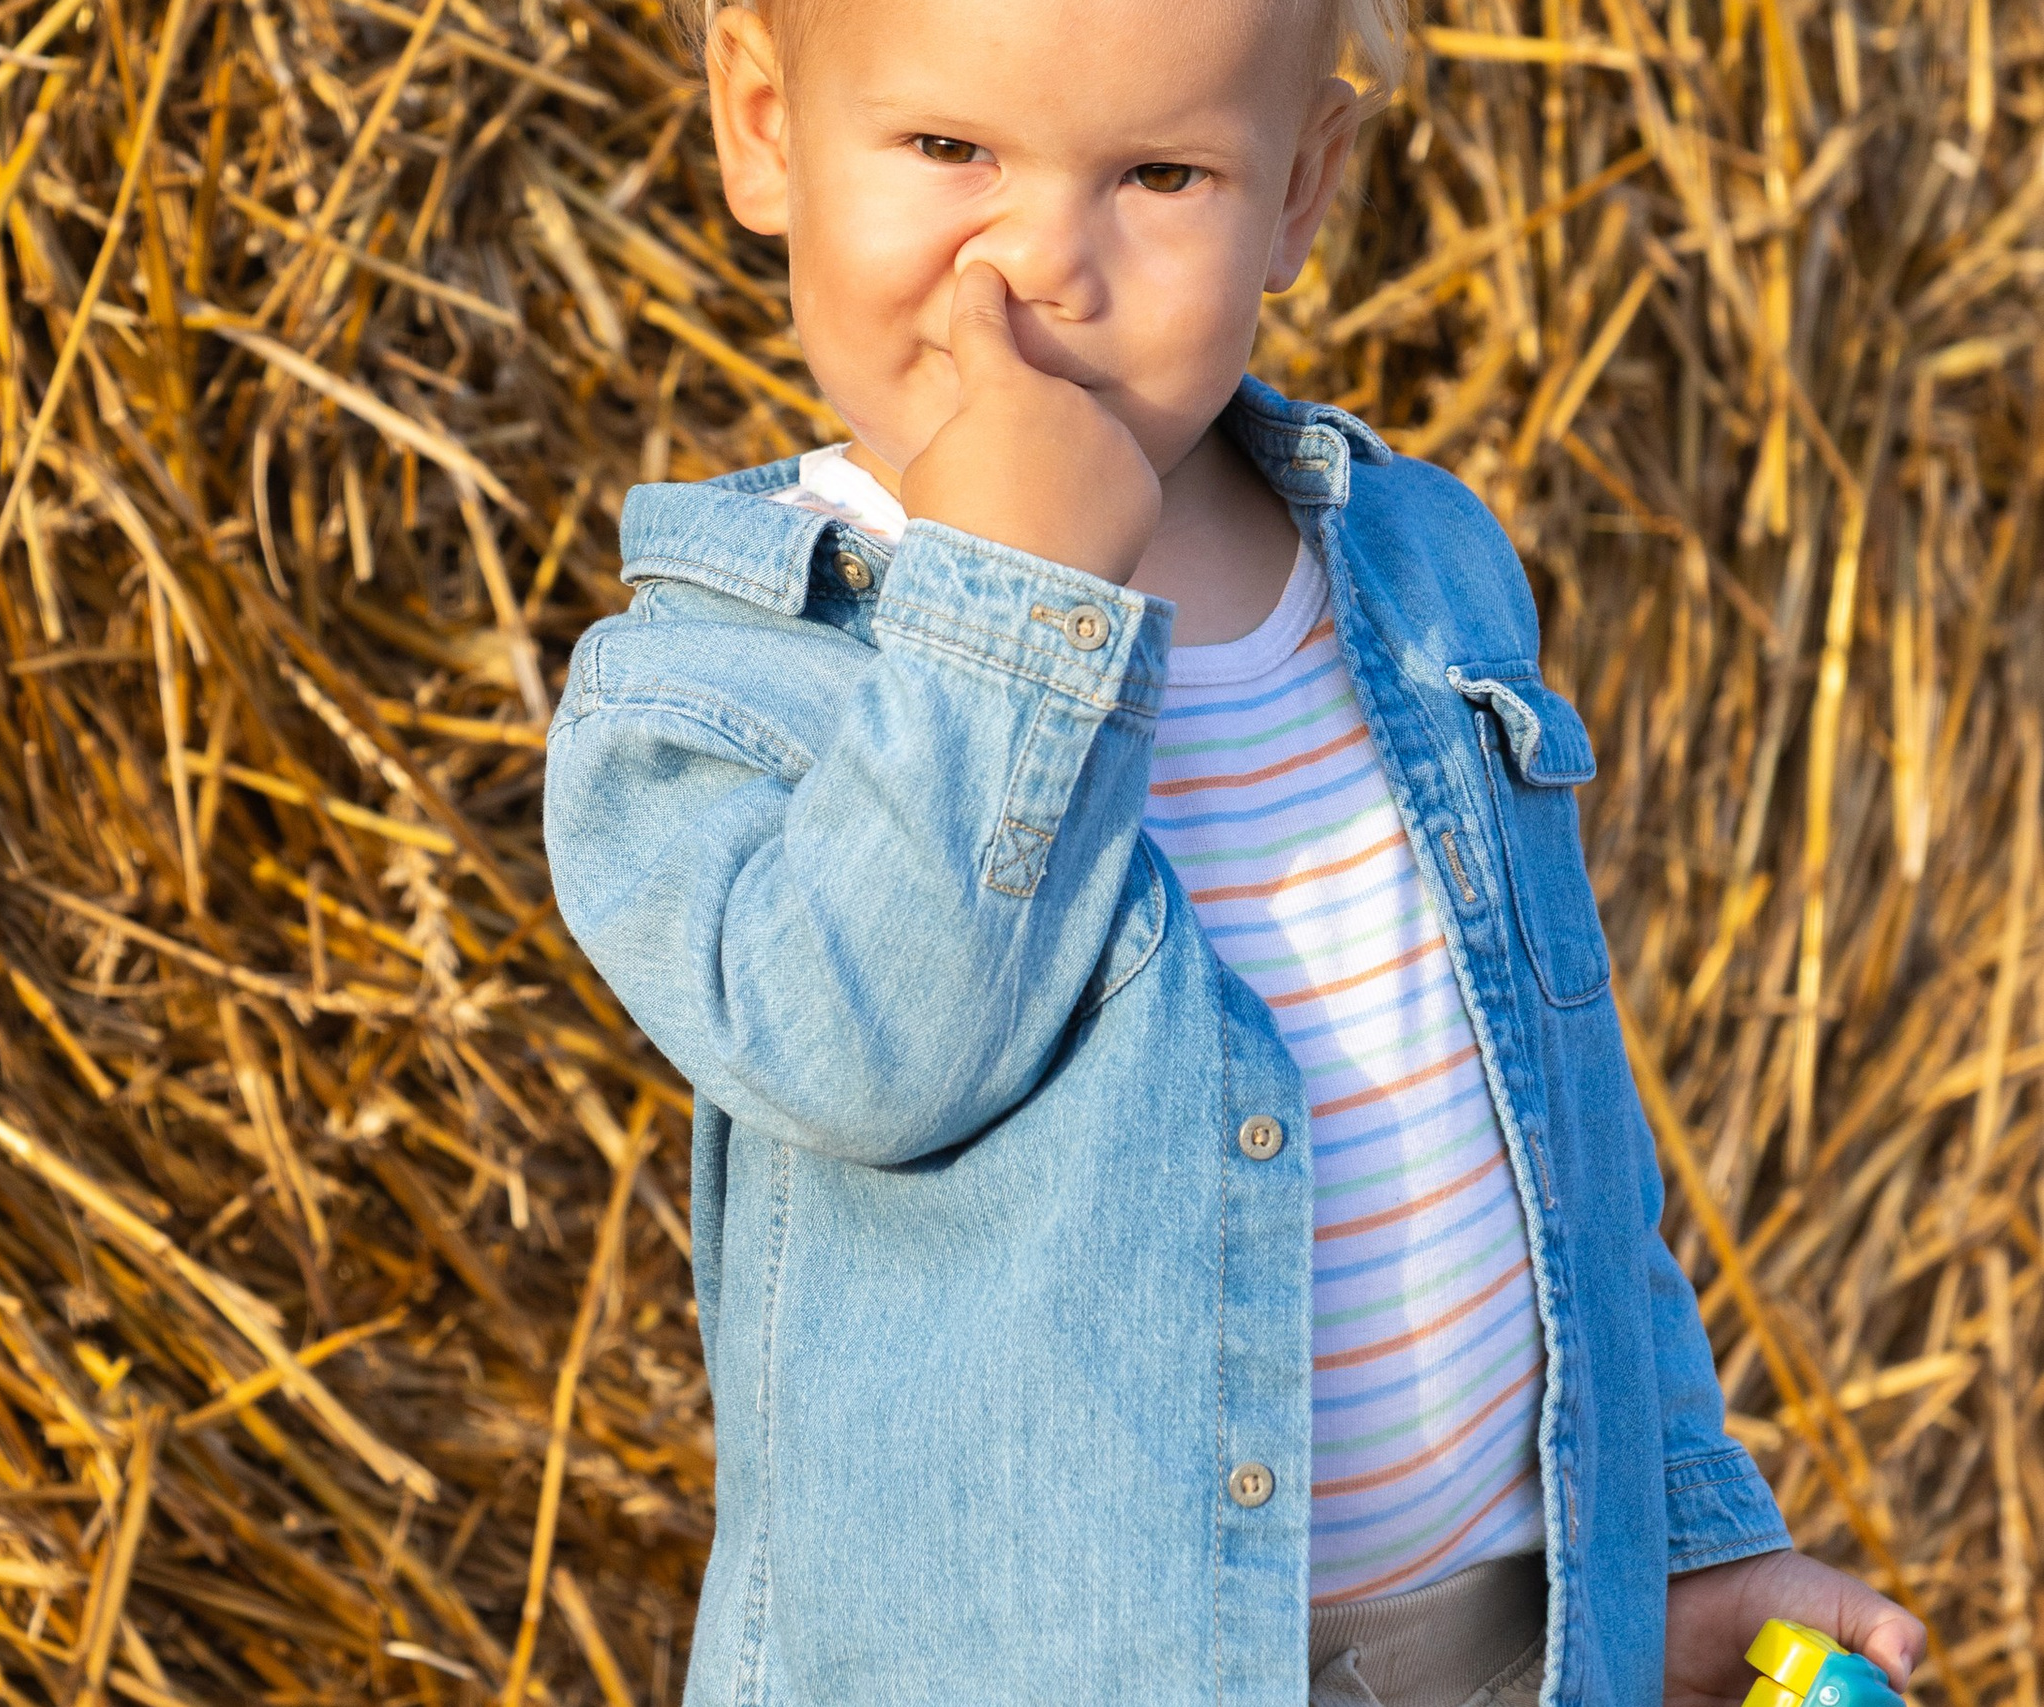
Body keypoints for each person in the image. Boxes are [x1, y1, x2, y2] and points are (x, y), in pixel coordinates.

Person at [540, 0, 1930, 1700]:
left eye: (1162, 175)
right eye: (950, 147)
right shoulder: (714, 686)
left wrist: (1681, 1539)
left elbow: (1567, 1135)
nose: (1045, 260)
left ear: (1300, 190)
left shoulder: (1420, 571)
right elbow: (867, 1059)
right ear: (766, 125)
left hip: (1514, 1650)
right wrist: (1016, 605)